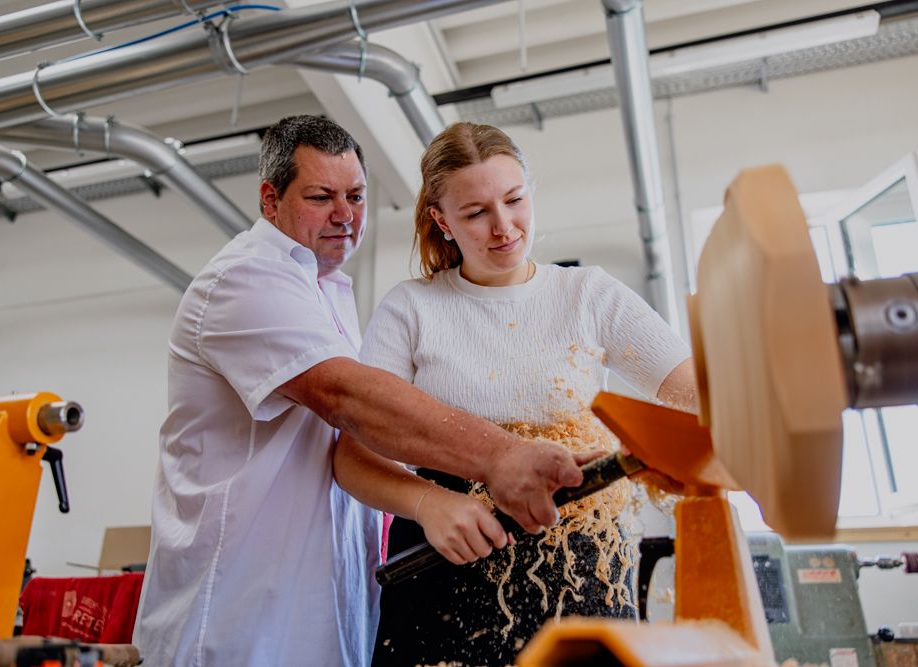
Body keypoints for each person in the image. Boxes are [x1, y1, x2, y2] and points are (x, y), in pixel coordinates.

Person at [133, 115, 590, 667]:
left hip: (324, 612)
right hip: (240, 620)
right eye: (321, 197)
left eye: (355, 196)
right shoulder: (243, 279)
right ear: (270, 200)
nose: (345, 215)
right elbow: (350, 400)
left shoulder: (326, 292)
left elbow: (348, 449)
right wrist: (501, 455)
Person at [333, 121, 698, 667]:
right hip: (445, 558)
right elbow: (352, 456)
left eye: (515, 199)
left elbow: (692, 394)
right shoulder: (410, 308)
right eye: (476, 213)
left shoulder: (589, 294)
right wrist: (427, 503)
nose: (503, 226)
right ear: (442, 220)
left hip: (581, 561)